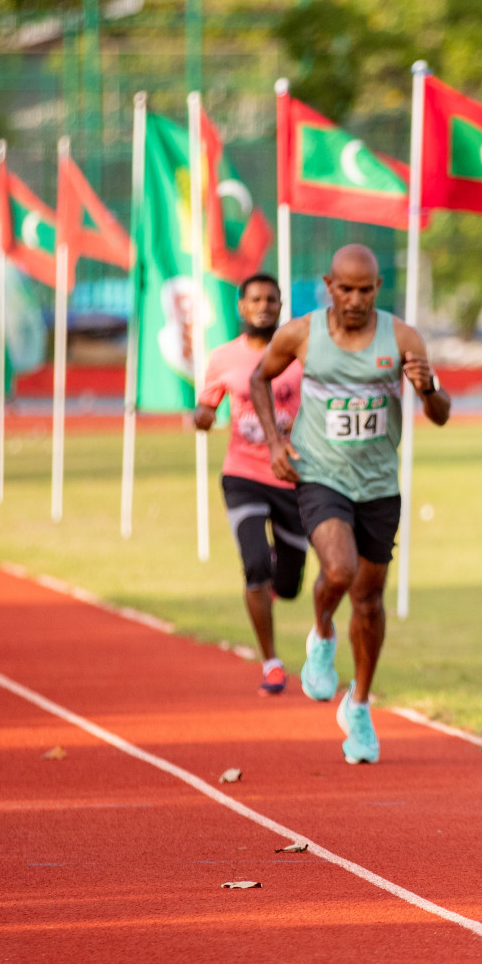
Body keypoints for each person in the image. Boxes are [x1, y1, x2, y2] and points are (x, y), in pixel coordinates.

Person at [249, 245, 451, 764]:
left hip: (380, 484)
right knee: (337, 570)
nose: (355, 299)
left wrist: (427, 389)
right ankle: (320, 633)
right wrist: (276, 443)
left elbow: (442, 412)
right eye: (346, 288)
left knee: (370, 599)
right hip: (320, 475)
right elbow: (259, 378)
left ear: (378, 287)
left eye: (365, 290)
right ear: (328, 284)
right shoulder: (301, 333)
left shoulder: (402, 337)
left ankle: (358, 704)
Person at [194, 274, 307, 696]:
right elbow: (206, 408)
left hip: (293, 477)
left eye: (272, 299)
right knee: (255, 563)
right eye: (256, 299)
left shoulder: (299, 354)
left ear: (281, 306)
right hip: (242, 474)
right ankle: (272, 662)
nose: (264, 306)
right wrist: (202, 417)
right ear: (241, 307)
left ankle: (272, 583)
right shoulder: (223, 357)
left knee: (290, 584)